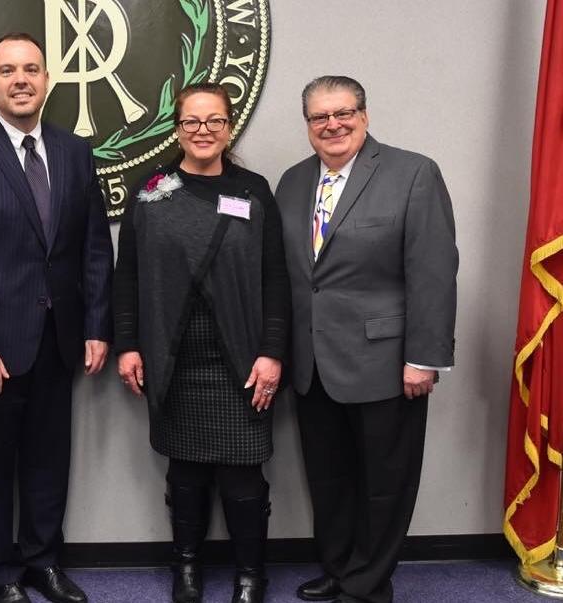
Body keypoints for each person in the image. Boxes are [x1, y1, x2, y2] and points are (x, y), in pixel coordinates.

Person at [0, 33, 113, 603]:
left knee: (49, 462)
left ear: (48, 80)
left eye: (31, 68)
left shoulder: (75, 151)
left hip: (59, 340)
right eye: (7, 70)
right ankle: (0, 571)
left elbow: (93, 249)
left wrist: (96, 326)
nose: (21, 79)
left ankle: (43, 561)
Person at [275, 76, 458, 603]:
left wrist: (424, 358)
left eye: (343, 112)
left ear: (365, 115)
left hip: (387, 362)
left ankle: (368, 583)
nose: (332, 124)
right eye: (319, 117)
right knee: (328, 481)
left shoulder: (412, 173)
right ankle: (338, 568)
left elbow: (433, 271)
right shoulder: (291, 182)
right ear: (307, 126)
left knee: (384, 484)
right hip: (312, 363)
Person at [113, 82, 291, 603]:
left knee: (243, 473)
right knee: (184, 466)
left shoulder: (255, 191)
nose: (203, 131)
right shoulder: (150, 192)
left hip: (242, 357)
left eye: (214, 121)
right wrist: (127, 344)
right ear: (177, 129)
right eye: (192, 121)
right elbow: (128, 279)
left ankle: (250, 574)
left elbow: (276, 280)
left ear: (230, 128)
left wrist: (272, 351)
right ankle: (185, 566)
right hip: (173, 357)